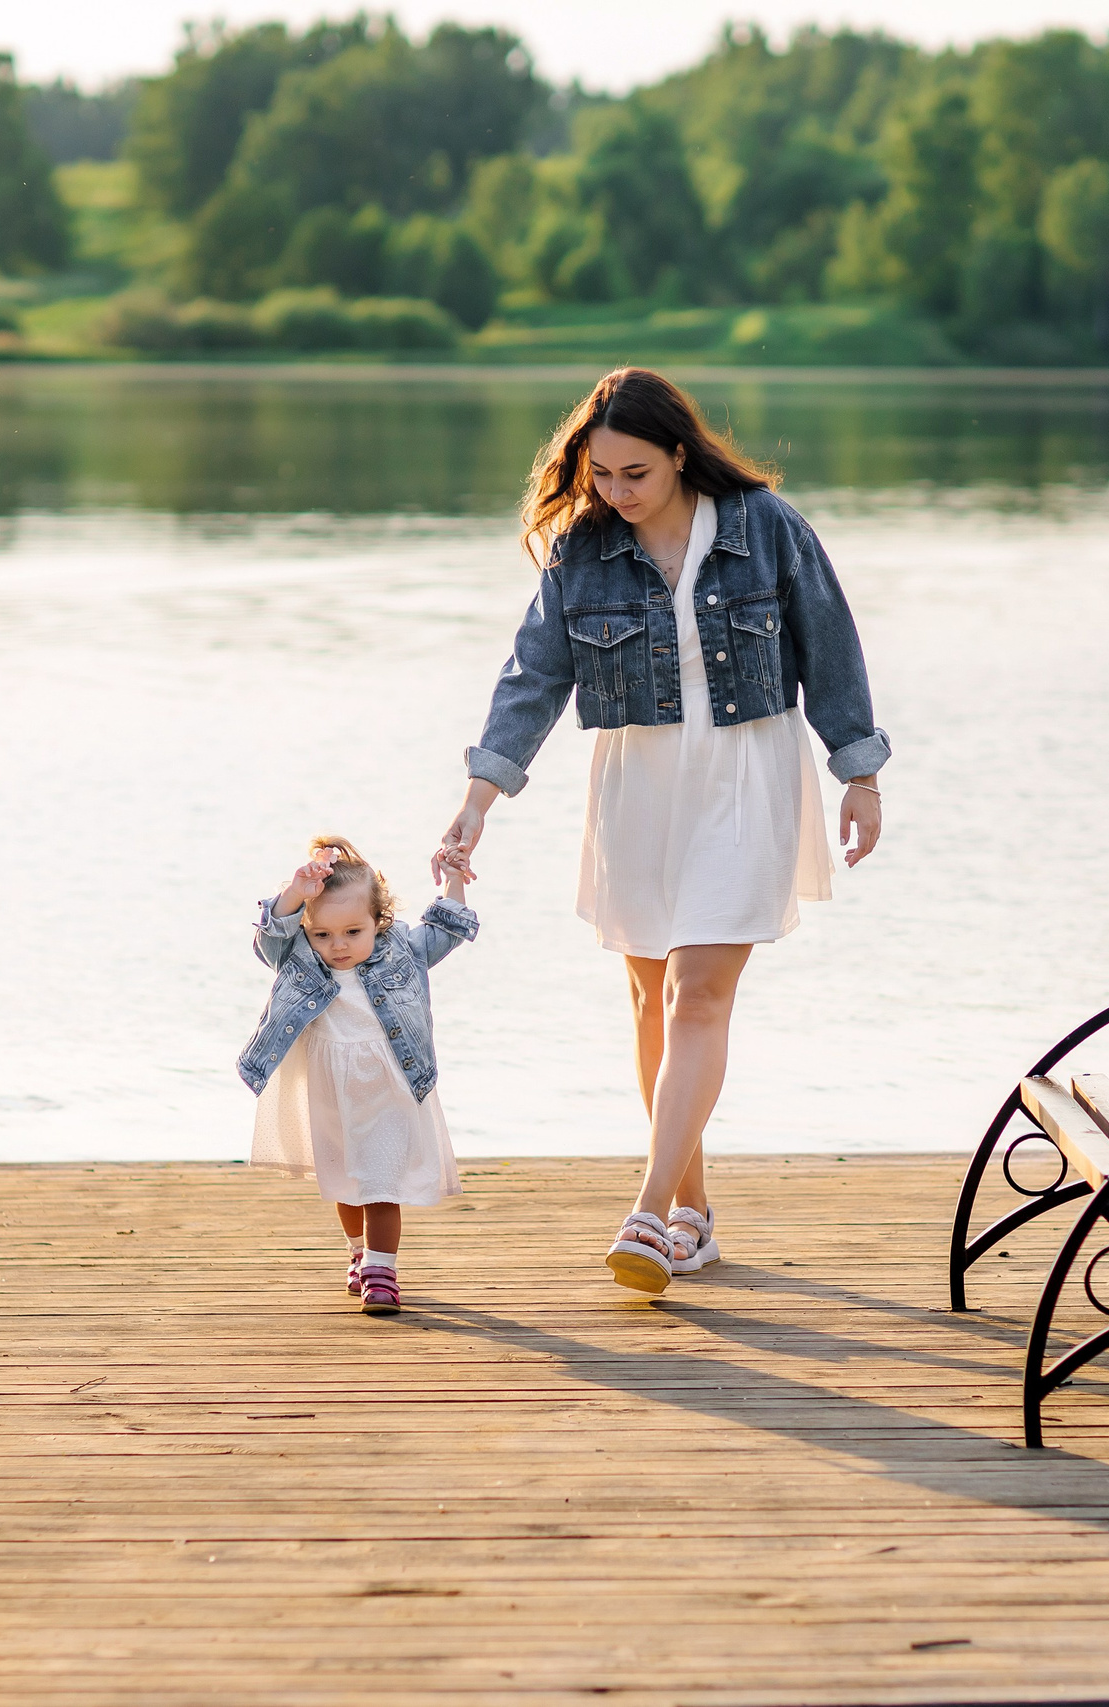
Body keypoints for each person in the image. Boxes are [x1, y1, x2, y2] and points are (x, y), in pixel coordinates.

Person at [434, 367, 888, 1296]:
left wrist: (861, 773)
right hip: (638, 784)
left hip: (745, 774)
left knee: (698, 994)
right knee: (650, 1001)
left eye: (635, 472)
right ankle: (695, 1216)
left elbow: (832, 644)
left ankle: (646, 1211)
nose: (617, 491)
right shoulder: (584, 549)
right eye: (601, 474)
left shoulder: (767, 527)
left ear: (682, 454)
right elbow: (534, 676)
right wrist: (478, 800)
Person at [239, 835, 479, 1315]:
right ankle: (357, 1252)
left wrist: (454, 879)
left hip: (389, 1084)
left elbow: (446, 928)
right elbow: (270, 935)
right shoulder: (296, 955)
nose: (339, 946)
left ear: (378, 921)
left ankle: (381, 1270)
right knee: (343, 1179)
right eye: (323, 934)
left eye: (353, 931)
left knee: (380, 1181)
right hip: (329, 1086)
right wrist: (295, 891)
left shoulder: (403, 950)